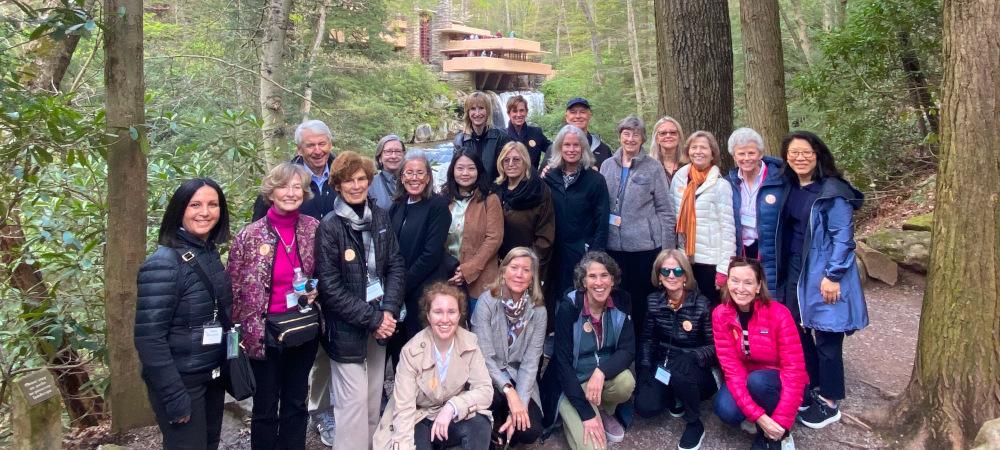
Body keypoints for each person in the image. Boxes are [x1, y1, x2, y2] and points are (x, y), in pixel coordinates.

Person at [314, 151, 406, 450]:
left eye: (362, 179)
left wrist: (389, 310)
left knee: (370, 401)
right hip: (347, 328)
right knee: (351, 407)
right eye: (349, 180)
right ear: (338, 185)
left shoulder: (379, 215)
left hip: (381, 321)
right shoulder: (329, 226)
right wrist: (374, 318)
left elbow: (394, 264)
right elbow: (329, 287)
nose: (356, 185)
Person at [777, 131, 868, 429]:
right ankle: (811, 384)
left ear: (818, 155)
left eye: (806, 152)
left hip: (824, 273)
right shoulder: (790, 187)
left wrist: (833, 275)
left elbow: (843, 237)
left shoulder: (832, 192)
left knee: (827, 336)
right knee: (798, 330)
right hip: (795, 271)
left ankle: (830, 401)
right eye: (793, 154)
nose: (799, 158)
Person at [227, 163, 320, 450]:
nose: (290, 193)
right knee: (266, 406)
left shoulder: (313, 229)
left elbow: (326, 273)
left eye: (297, 187)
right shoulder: (249, 236)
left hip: (303, 328)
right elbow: (233, 287)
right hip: (263, 332)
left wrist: (317, 289)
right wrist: (236, 337)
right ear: (271, 191)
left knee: (296, 400)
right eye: (284, 186)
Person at [135, 178, 232, 450]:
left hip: (210, 374)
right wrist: (174, 395)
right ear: (180, 209)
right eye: (195, 205)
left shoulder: (207, 252)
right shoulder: (163, 264)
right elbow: (149, 339)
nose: (205, 212)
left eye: (212, 205)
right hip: (181, 382)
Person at [372, 283, 494, 450]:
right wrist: (403, 444)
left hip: (451, 415)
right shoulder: (411, 352)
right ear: (428, 316)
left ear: (459, 315)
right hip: (419, 416)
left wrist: (452, 407)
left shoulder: (470, 343)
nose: (445, 319)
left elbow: (485, 390)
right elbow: (404, 408)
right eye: (438, 312)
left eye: (451, 312)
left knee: (480, 425)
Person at [541, 251, 635, 450]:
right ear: (583, 282)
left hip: (599, 380)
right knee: (594, 448)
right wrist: (586, 414)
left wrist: (601, 373)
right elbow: (562, 365)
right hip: (570, 386)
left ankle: (601, 408)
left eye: (604, 275)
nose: (599, 282)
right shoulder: (569, 308)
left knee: (626, 382)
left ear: (612, 280)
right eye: (592, 276)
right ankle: (580, 412)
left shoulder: (621, 301)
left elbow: (627, 350)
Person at [713, 258, 806, 450]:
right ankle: (762, 423)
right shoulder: (720, 314)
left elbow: (794, 371)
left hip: (775, 379)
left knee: (758, 381)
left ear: (758, 286)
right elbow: (732, 371)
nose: (740, 288)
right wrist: (760, 418)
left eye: (748, 282)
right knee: (725, 410)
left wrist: (781, 422)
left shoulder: (779, 314)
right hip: (745, 376)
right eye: (735, 280)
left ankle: (775, 435)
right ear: (727, 282)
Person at [600, 116, 676, 344]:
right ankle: (620, 345)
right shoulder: (607, 165)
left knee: (643, 301)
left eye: (635, 134)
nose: (630, 139)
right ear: (620, 136)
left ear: (643, 138)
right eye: (626, 133)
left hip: (645, 248)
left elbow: (665, 210)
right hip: (613, 247)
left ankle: (644, 347)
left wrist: (668, 252)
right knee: (616, 298)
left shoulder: (653, 167)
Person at [634, 249, 716, 450]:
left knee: (680, 373)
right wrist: (644, 368)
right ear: (659, 276)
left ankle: (694, 423)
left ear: (686, 275)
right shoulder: (653, 301)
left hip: (694, 367)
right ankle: (674, 396)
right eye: (666, 271)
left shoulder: (702, 304)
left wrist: (694, 356)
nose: (672, 276)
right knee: (645, 406)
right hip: (664, 364)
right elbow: (647, 339)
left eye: (678, 271)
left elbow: (715, 346)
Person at [471, 247, 547, 446]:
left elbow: (531, 363)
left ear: (532, 277)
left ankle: (506, 425)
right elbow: (484, 357)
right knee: (489, 407)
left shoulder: (538, 311)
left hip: (519, 376)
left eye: (526, 270)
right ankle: (494, 430)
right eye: (514, 267)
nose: (519, 274)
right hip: (489, 375)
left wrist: (519, 402)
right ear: (503, 270)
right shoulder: (487, 302)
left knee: (529, 429)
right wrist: (508, 390)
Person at [542, 125, 610, 328]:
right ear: (559, 148)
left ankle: (584, 343)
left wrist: (594, 256)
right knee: (553, 298)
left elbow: (602, 220)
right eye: (566, 145)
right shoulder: (548, 177)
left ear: (583, 149)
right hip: (553, 251)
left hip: (581, 250)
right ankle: (556, 341)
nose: (571, 149)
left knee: (580, 298)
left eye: (576, 145)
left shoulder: (595, 179)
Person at [389, 149, 452, 341]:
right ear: (401, 177)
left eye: (419, 173)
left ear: (428, 177)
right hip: (399, 289)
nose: (414, 178)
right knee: (399, 350)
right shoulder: (397, 205)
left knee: (422, 347)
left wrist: (401, 285)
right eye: (409, 173)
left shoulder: (437, 206)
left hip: (425, 289)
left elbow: (431, 254)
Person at [670, 131, 735, 304]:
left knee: (708, 312)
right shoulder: (679, 179)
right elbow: (672, 217)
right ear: (688, 151)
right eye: (694, 147)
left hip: (710, 262)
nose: (698, 151)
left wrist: (724, 269)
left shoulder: (721, 185)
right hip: (685, 260)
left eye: (704, 148)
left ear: (712, 153)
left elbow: (728, 229)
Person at [725, 128, 786, 295]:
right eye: (741, 154)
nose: (746, 158)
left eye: (751, 153)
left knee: (769, 298)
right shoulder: (728, 183)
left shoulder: (780, 179)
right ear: (734, 156)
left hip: (770, 250)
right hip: (741, 250)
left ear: (760, 153)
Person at [442, 148, 504, 313]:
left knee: (481, 331)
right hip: (449, 276)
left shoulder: (490, 200)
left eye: (471, 168)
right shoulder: (443, 199)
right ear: (452, 170)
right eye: (460, 168)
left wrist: (468, 269)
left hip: (482, 279)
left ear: (479, 171)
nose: (465, 173)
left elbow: (494, 239)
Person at [252, 120, 338, 221]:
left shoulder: (345, 176)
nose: (318, 151)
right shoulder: (280, 180)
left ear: (330, 145)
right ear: (299, 150)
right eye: (310, 145)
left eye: (322, 144)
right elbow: (258, 227)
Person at [494, 141, 555, 282]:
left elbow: (545, 235)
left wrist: (525, 263)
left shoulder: (539, 190)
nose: (511, 163)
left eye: (516, 159)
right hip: (499, 264)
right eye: (506, 160)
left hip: (528, 266)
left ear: (525, 161)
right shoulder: (496, 188)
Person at [453, 91, 512, 184]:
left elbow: (508, 171)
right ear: (468, 113)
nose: (477, 113)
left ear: (488, 111)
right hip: (470, 192)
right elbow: (456, 172)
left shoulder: (501, 138)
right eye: (473, 109)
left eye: (481, 108)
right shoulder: (460, 140)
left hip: (495, 193)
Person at [544, 97, 612, 168]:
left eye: (582, 112)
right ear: (566, 117)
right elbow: (543, 177)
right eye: (573, 112)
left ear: (589, 116)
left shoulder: (603, 149)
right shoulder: (554, 148)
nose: (578, 116)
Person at [504, 95, 551, 168]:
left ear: (526, 112)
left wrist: (547, 169)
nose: (519, 114)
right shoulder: (501, 135)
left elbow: (553, 149)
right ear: (509, 114)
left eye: (522, 110)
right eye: (515, 111)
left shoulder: (536, 133)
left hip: (532, 178)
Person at [370, 134, 406, 210]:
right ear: (380, 158)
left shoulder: (414, 181)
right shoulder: (370, 184)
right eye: (388, 151)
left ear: (404, 156)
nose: (393, 156)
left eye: (398, 151)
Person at [649, 116, 686, 181]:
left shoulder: (689, 165)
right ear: (657, 139)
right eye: (663, 133)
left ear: (679, 137)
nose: (668, 136)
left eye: (673, 133)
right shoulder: (648, 165)